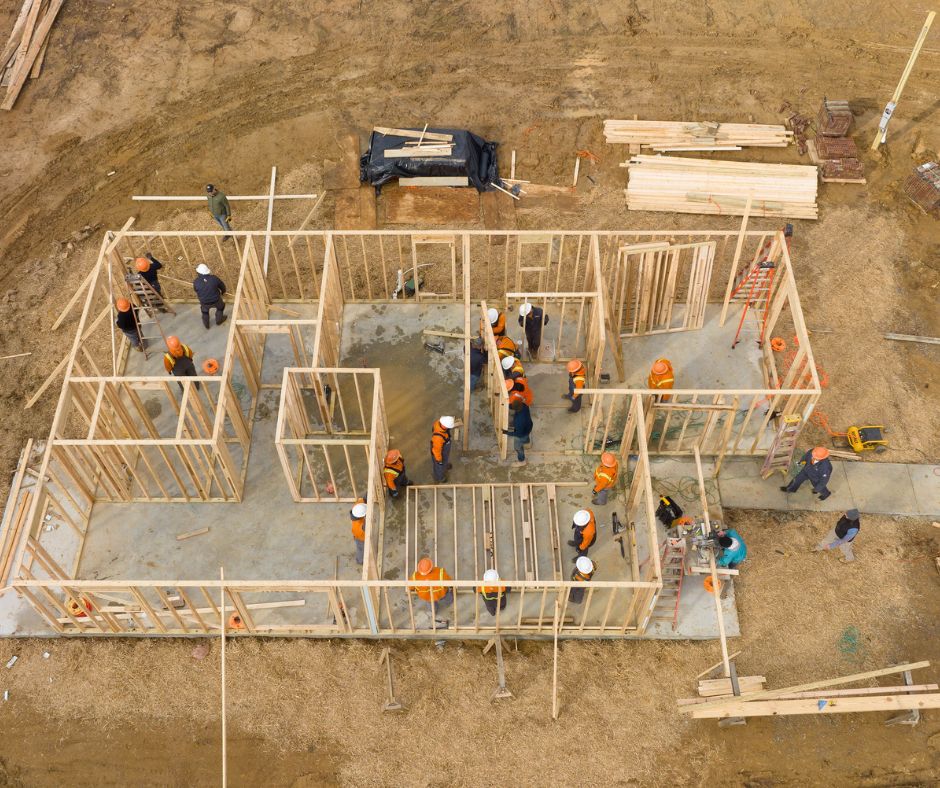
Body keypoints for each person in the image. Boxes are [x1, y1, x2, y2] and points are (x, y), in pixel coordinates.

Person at [193, 263, 228, 329]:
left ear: (198, 273)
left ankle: (207, 325)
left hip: (204, 302)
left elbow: (195, 290)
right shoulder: (214, 278)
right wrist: (223, 292)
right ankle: (219, 320)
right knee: (221, 307)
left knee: (205, 312)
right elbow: (222, 286)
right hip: (216, 300)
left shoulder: (196, 282)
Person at [502, 398, 533, 465]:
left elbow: (517, 433)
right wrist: (505, 405)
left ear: (516, 409)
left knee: (518, 447)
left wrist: (506, 432)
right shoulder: (525, 406)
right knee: (526, 435)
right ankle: (527, 443)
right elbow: (513, 405)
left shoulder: (519, 420)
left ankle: (522, 461)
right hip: (528, 427)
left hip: (521, 435)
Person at [430, 416, 455, 483]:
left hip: (443, 447)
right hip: (438, 452)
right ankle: (439, 477)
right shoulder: (438, 438)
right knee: (439, 466)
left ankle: (444, 465)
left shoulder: (439, 423)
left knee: (445, 459)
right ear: (445, 426)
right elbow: (436, 451)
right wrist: (439, 460)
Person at [350, 499, 367, 566]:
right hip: (360, 539)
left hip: (358, 535)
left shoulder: (357, 507)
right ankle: (360, 561)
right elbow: (366, 528)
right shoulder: (359, 527)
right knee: (361, 549)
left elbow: (363, 499)